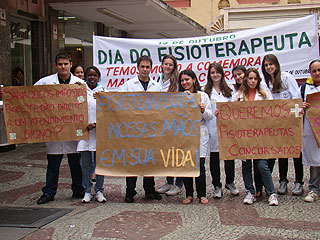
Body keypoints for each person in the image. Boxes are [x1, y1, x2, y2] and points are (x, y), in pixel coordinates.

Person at [36, 53, 84, 204]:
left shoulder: (79, 83)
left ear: (71, 64)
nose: (63, 67)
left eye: (65, 64)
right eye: (60, 64)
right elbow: (28, 95)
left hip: (73, 130)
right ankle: (49, 192)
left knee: (75, 163)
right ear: (55, 66)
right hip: (54, 130)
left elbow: (88, 101)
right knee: (53, 163)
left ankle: (78, 189)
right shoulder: (45, 82)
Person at [231, 67, 278, 206]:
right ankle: (250, 192)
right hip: (244, 136)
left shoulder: (264, 94)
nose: (252, 81)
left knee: (262, 165)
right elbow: (231, 114)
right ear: (246, 79)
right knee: (246, 166)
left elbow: (272, 111)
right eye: (250, 78)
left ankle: (271, 193)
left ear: (258, 80)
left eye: (255, 79)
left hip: (260, 136)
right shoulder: (238, 96)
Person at [119, 55, 162, 203]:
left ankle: (149, 189)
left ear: (151, 68)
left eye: (147, 67)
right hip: (133, 130)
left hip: (150, 130)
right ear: (137, 68)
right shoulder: (128, 85)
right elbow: (118, 101)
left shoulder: (157, 86)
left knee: (150, 159)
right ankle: (130, 191)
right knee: (132, 160)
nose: (145, 69)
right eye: (142, 67)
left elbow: (162, 106)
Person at [261, 54, 303, 196]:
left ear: (277, 65)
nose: (269, 67)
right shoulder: (265, 83)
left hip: (290, 121)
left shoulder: (286, 78)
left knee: (296, 151)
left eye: (271, 64)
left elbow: (296, 97)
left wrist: (295, 117)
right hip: (276, 124)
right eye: (266, 65)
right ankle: (283, 180)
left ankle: (299, 182)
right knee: (282, 152)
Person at [204, 63, 239, 198]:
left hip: (227, 129)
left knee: (229, 157)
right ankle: (217, 186)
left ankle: (230, 182)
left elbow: (235, 107)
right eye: (212, 72)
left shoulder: (229, 89)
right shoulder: (206, 90)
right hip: (212, 129)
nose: (215, 75)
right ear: (209, 75)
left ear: (222, 74)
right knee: (214, 159)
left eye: (217, 72)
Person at [179, 69, 213, 204]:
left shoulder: (203, 95)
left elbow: (210, 116)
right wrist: (184, 100)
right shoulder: (180, 97)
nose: (185, 82)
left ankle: (202, 194)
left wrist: (203, 109)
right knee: (187, 164)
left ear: (194, 79)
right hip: (185, 134)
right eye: (182, 80)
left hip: (200, 133)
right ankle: (188, 194)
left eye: (187, 79)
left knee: (200, 164)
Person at [156, 54, 184, 196]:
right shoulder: (156, 80)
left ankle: (179, 183)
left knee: (176, 153)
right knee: (166, 153)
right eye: (165, 64)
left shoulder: (177, 82)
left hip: (175, 122)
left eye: (170, 64)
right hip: (161, 122)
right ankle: (169, 181)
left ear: (174, 67)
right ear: (161, 65)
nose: (167, 67)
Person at [78, 66, 106, 203]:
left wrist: (95, 124)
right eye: (89, 75)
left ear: (98, 77)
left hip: (98, 133)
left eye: (94, 75)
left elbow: (108, 112)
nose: (92, 78)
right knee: (85, 164)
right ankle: (87, 190)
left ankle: (99, 190)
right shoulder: (79, 90)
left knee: (100, 164)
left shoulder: (103, 92)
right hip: (83, 134)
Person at [301, 59, 320, 202]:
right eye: (314, 71)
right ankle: (313, 188)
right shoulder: (305, 88)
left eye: (319, 70)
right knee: (315, 159)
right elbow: (296, 108)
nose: (317, 73)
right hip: (312, 130)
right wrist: (301, 105)